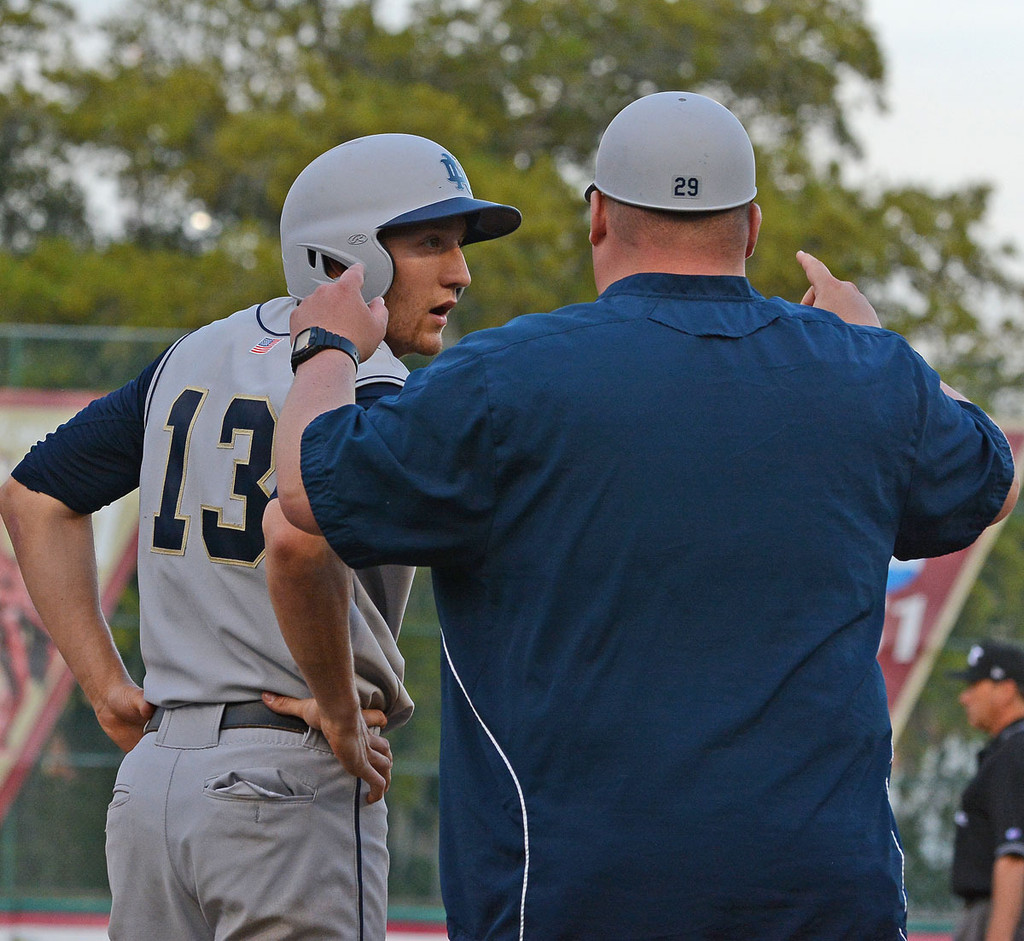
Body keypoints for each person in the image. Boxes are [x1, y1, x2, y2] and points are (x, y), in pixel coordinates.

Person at [272, 92, 1019, 941]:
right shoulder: (866, 375)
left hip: (575, 893)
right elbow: (992, 478)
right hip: (820, 896)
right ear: (753, 227)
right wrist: (879, 342)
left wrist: (325, 346)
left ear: (598, 218)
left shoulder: (506, 378)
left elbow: (304, 486)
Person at [0, 133, 519, 940]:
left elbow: (33, 497)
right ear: (349, 257)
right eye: (429, 243)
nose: (460, 271)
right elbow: (298, 541)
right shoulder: (372, 392)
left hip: (155, 786)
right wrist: (343, 709)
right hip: (292, 777)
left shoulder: (190, 358)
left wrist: (105, 686)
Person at [950, 640, 1024, 941]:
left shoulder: (1016, 750)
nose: (963, 698)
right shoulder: (1007, 748)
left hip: (1003, 914)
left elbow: (1014, 856)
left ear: (1005, 690)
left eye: (973, 685)